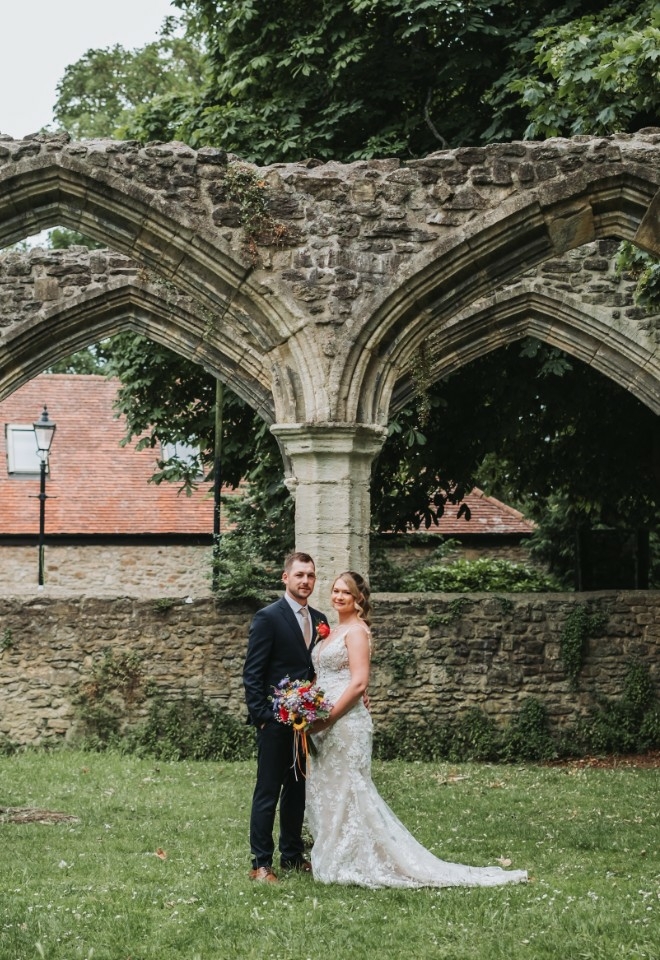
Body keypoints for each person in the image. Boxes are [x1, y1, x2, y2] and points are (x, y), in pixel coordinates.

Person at [306, 571, 528, 889]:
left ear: (359, 600)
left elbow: (358, 684)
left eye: (347, 593)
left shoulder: (356, 632)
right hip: (322, 722)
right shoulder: (333, 630)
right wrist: (305, 705)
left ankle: (360, 859)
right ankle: (337, 854)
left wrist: (327, 719)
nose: (339, 596)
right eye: (336, 590)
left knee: (352, 791)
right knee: (332, 790)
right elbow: (323, 676)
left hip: (344, 724)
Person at [243, 551, 329, 883]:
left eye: (310, 575)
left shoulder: (320, 619)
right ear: (286, 578)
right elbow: (253, 672)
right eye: (299, 575)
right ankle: (261, 863)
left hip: (306, 723)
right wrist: (263, 716)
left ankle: (292, 855)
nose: (305, 581)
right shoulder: (268, 617)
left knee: (297, 791)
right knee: (268, 791)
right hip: (275, 722)